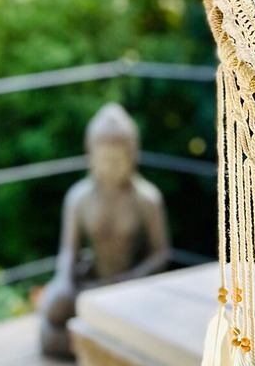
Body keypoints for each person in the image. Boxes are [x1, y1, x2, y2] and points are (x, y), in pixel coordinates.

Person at [39, 103, 171, 359]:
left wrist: (129, 279)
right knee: (55, 308)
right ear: (91, 155)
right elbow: (69, 250)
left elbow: (161, 254)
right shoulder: (79, 198)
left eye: (118, 159)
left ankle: (99, 345)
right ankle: (103, 344)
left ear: (131, 156)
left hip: (132, 285)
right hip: (92, 282)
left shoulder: (146, 199)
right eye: (105, 158)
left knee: (149, 319)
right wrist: (65, 280)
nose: (111, 165)